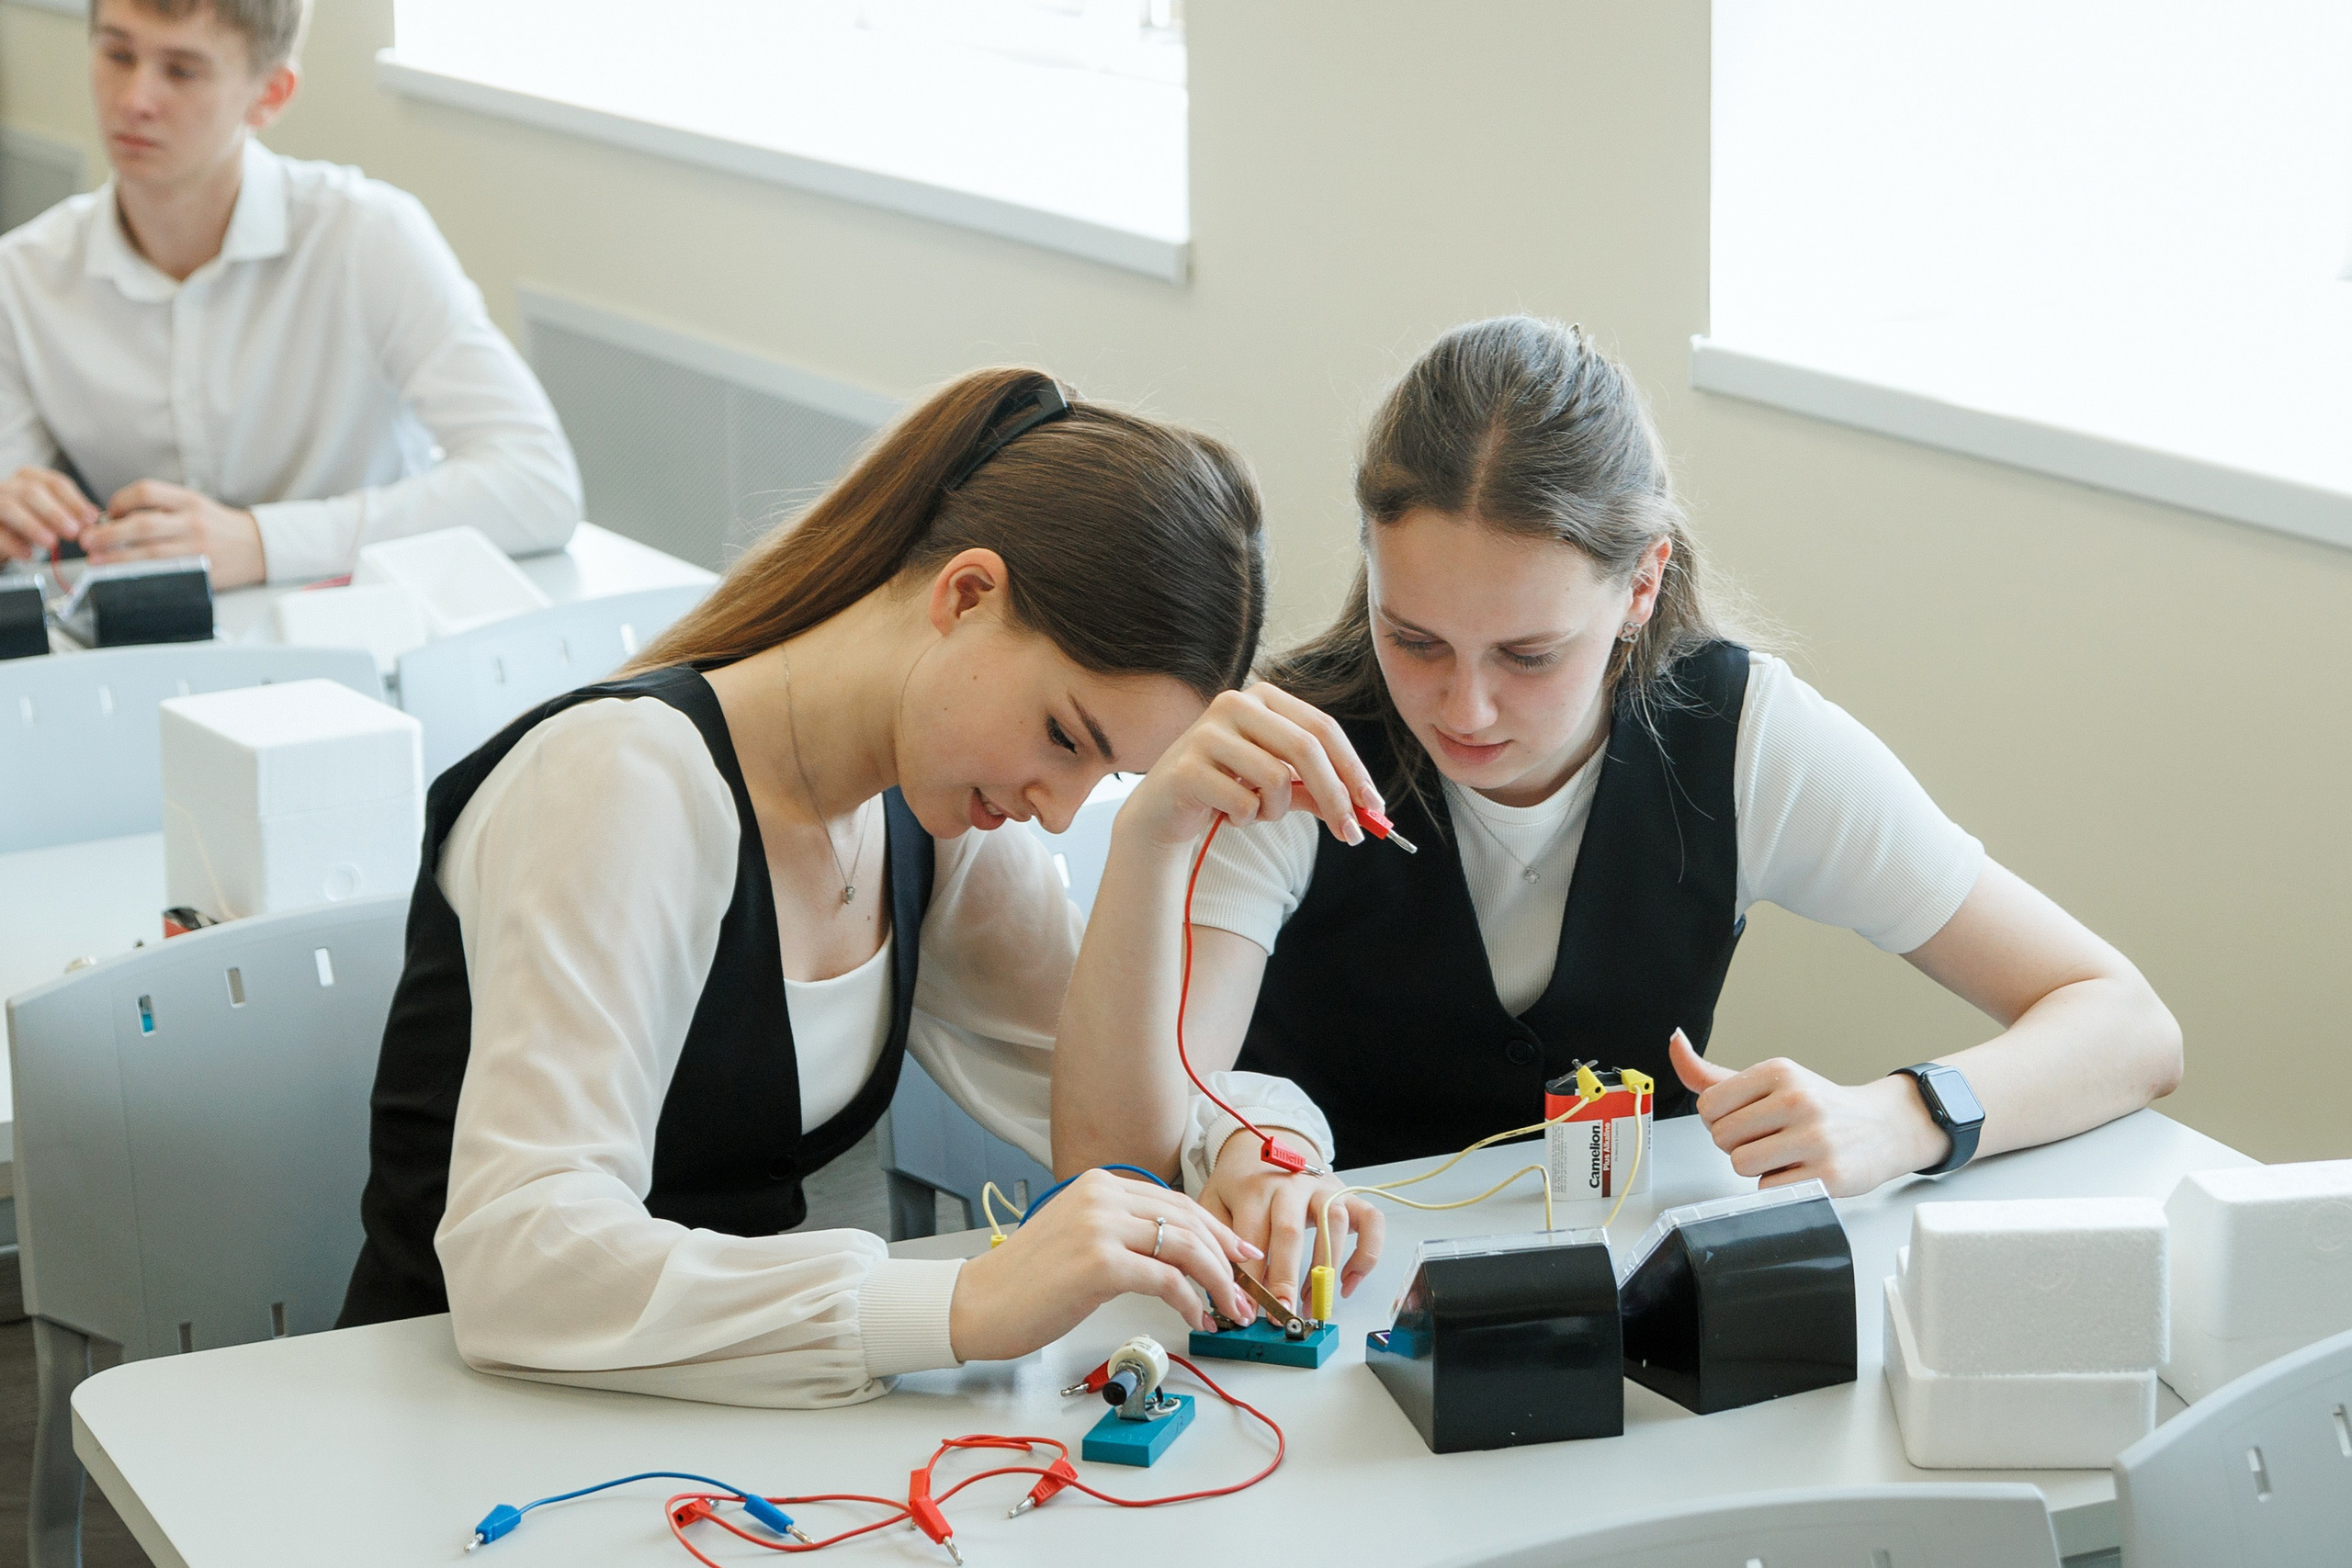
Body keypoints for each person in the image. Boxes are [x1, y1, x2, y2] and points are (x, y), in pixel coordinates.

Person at [1052, 316, 2185, 1314]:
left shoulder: (1743, 738)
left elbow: (2127, 1025)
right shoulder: (1291, 750)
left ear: (1641, 587)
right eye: (1415, 640)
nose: (1466, 707)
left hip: (1614, 1330)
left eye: (1530, 655)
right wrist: (1154, 839)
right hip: (1319, 1333)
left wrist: (1902, 1117)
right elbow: (1116, 1163)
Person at [337, 368, 1343, 1408]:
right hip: (449, 1425)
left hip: (688, 1428)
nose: (1056, 809)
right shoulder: (623, 780)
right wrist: (959, 1305)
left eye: (1107, 777)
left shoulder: (927, 814)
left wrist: (1264, 1154)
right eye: (1062, 737)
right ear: (964, 596)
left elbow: (1121, 1119)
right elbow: (522, 1263)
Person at [0, 0, 579, 589]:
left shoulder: (366, 238)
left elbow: (537, 484)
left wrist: (261, 543)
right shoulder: (24, 277)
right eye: (118, 54)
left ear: (270, 95)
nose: (134, 100)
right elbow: (17, 506)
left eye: (182, 71)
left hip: (364, 636)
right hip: (143, 657)